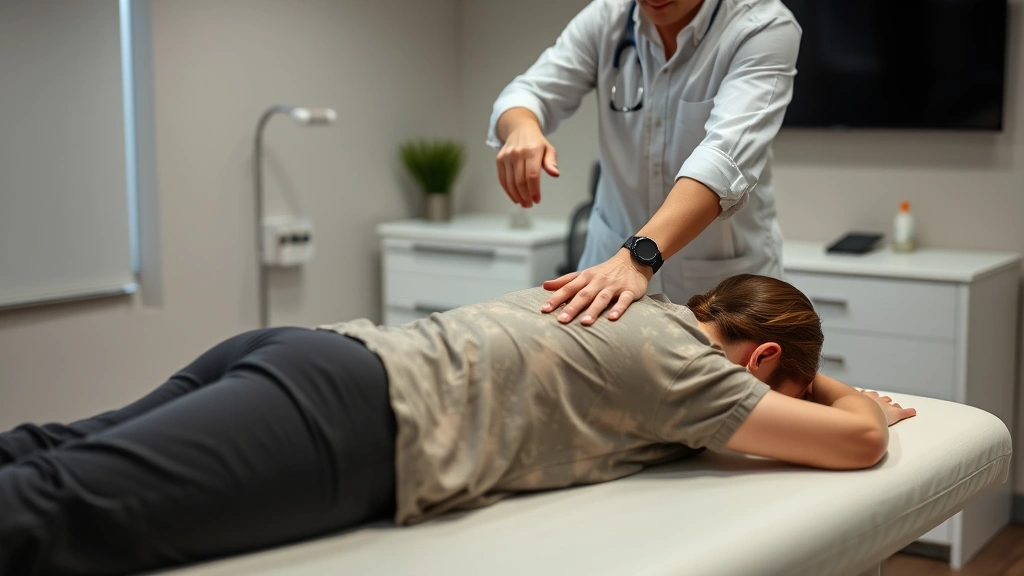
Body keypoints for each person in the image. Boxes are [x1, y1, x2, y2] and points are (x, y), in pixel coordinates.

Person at [0, 275, 915, 575]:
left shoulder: (627, 304)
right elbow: (862, 442)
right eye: (785, 389)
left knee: (49, 452)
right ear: (762, 360)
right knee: (54, 512)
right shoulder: (692, 370)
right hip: (356, 421)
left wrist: (794, 378)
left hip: (313, 355)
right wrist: (840, 394)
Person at [489, 0, 801, 326]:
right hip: (607, 276)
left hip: (722, 294)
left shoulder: (762, 25)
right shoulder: (608, 17)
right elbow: (527, 93)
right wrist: (522, 128)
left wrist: (636, 258)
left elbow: (722, 163)